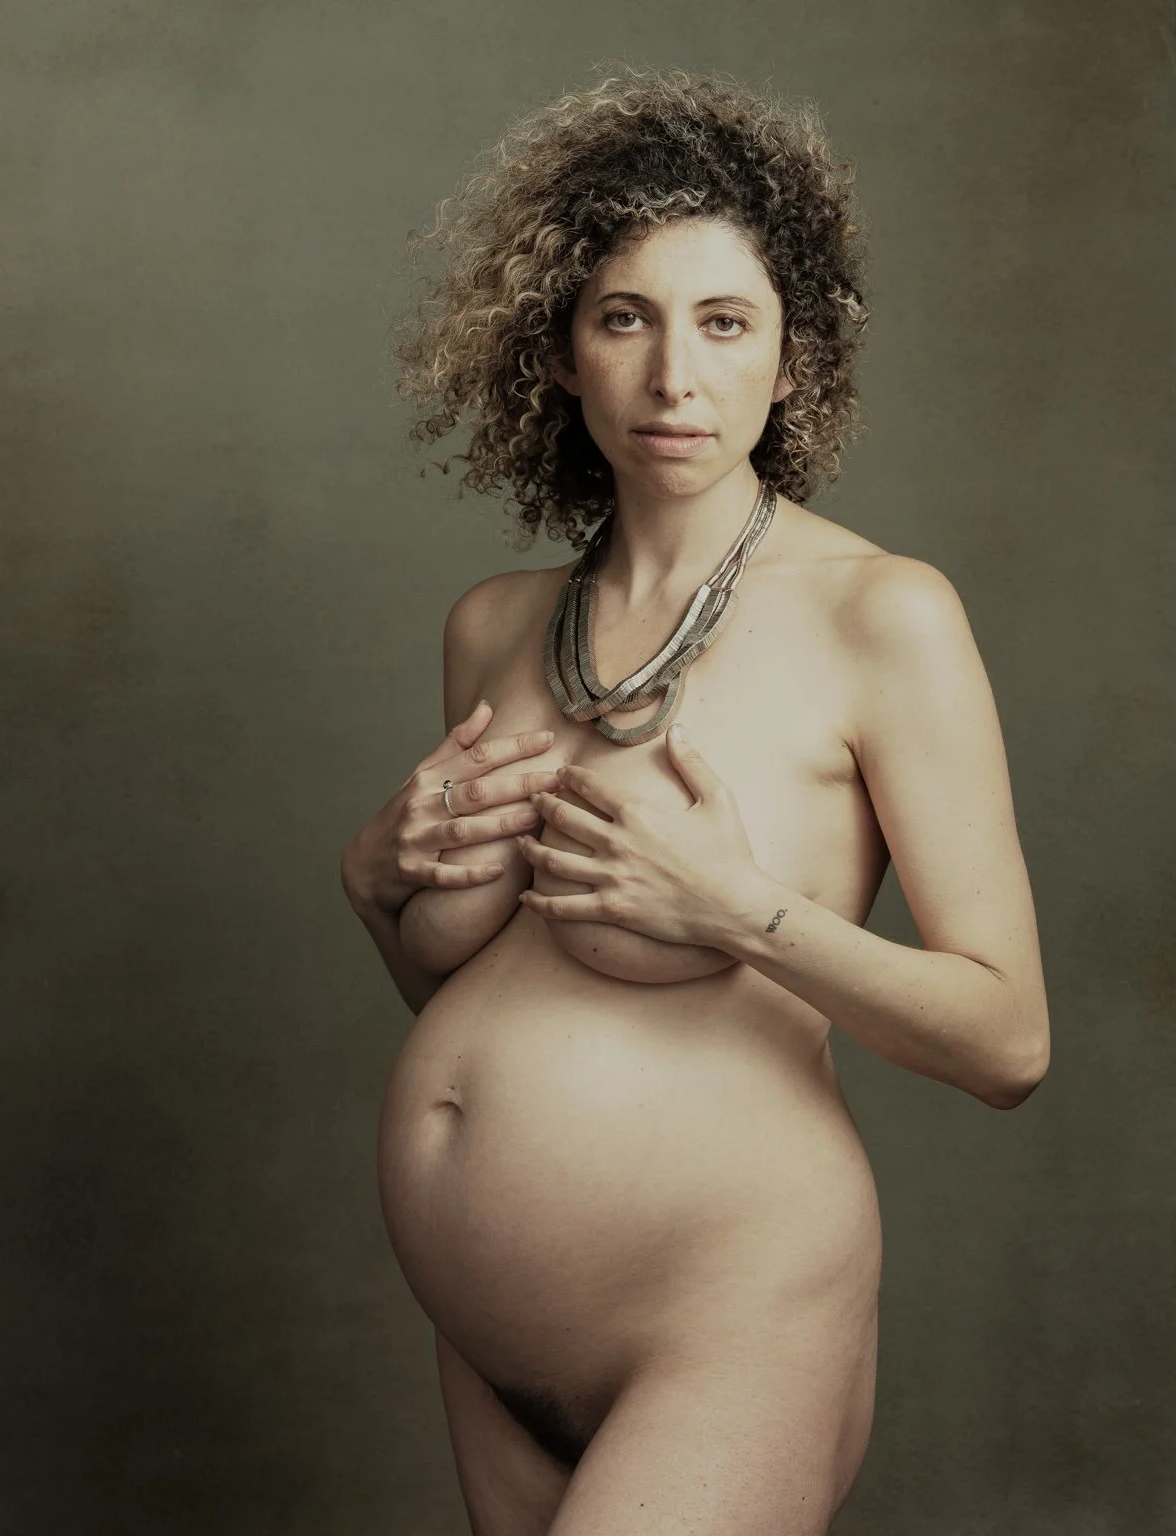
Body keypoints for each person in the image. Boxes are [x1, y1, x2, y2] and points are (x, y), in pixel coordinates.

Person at [336, 69, 1049, 1536]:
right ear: (558, 355)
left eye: (726, 324)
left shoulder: (883, 615)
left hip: (729, 1312)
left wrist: (735, 907)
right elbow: (481, 1000)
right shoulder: (494, 626)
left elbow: (1008, 1039)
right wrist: (376, 892)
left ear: (793, 363)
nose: (676, 379)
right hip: (483, 1330)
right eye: (626, 320)